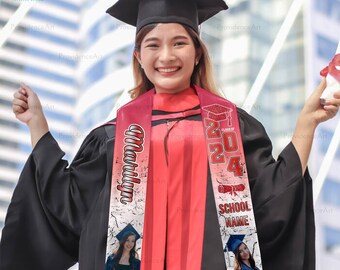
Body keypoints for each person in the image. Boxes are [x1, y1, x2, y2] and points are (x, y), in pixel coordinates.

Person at [0, 0, 339, 269]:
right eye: (153, 45)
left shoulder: (232, 127)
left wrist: (306, 124)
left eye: (179, 43)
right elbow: (70, 204)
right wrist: (37, 126)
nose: (166, 56)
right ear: (138, 56)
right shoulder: (115, 136)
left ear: (197, 53)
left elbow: (272, 199)